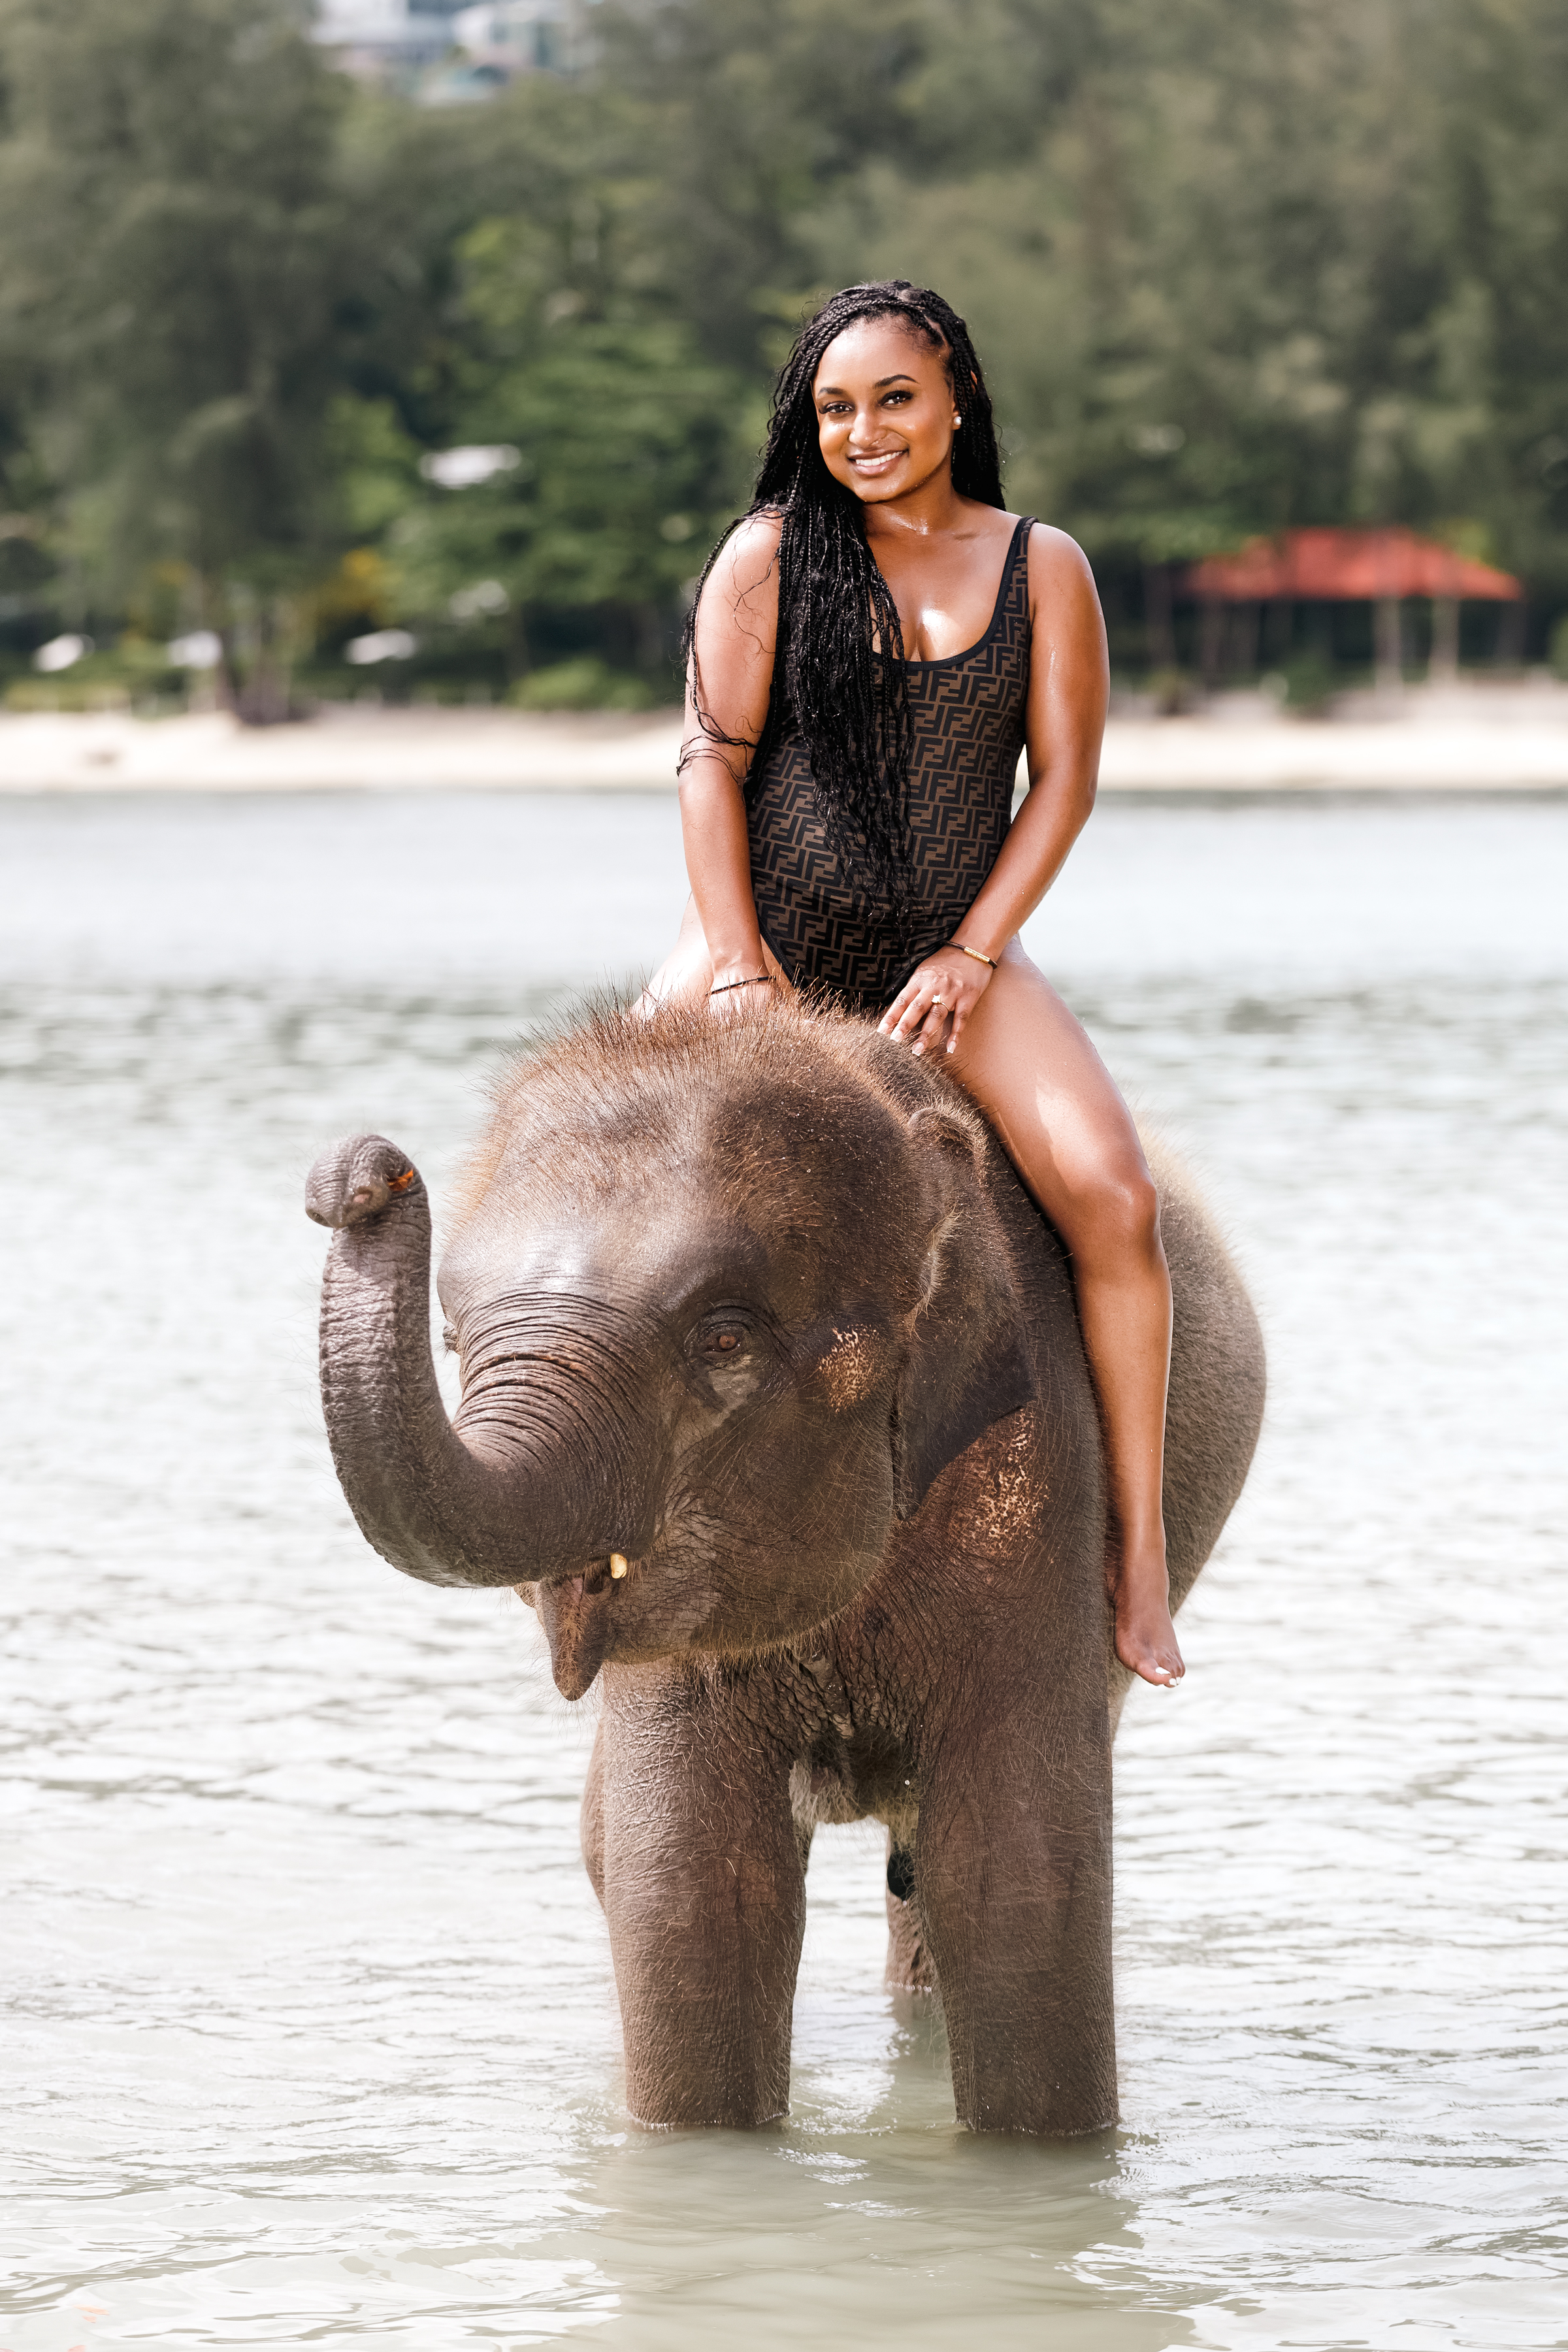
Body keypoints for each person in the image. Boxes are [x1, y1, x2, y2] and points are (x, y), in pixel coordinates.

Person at [645, 279, 1183, 1688]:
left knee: (1117, 1198)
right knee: (605, 1185)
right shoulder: (766, 554)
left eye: (892, 398)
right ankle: (601, 1532)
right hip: (758, 938)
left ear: (955, 395)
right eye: (834, 407)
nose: (864, 430)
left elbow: (1062, 781)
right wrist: (739, 974)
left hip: (954, 942)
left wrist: (971, 952)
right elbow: (710, 763)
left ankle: (1137, 1563)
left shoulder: (1041, 565)